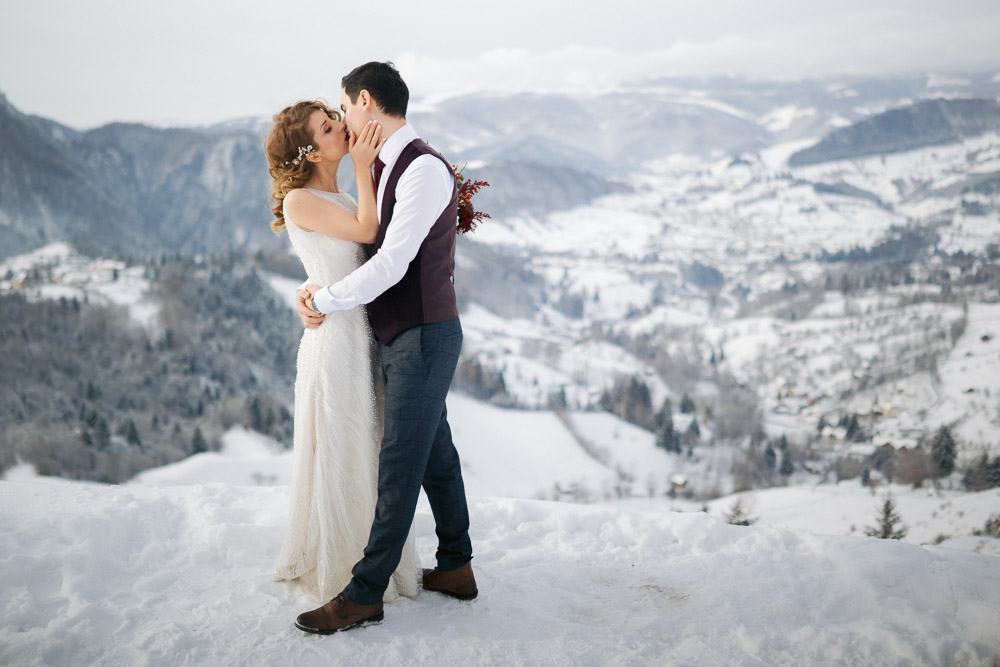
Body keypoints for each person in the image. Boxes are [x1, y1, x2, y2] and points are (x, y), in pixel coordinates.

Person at [293, 61, 476, 635]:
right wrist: (316, 286)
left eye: (345, 106)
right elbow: (356, 243)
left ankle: (364, 593)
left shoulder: (421, 168)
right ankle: (457, 566)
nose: (345, 117)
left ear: (366, 100)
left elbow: (392, 264)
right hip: (403, 335)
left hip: (422, 335)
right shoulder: (383, 164)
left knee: (398, 465)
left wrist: (325, 301)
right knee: (436, 454)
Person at [265, 99, 419, 610]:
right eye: (328, 128)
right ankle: (344, 563)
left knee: (367, 446)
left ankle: (375, 559)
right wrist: (363, 166)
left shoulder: (342, 192)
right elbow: (366, 233)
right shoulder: (300, 200)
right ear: (310, 152)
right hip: (334, 340)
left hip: (361, 333)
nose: (341, 129)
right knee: (342, 446)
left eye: (335, 119)